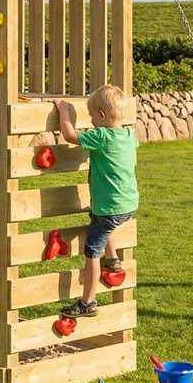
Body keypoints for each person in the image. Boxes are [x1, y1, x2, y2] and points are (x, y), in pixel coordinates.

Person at [53, 85, 138, 318]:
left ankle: (88, 302)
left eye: (92, 116)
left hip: (110, 207)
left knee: (91, 250)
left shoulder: (101, 136)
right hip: (127, 204)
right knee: (101, 221)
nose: (91, 121)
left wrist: (64, 111)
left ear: (101, 115)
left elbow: (70, 136)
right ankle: (113, 260)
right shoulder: (129, 135)